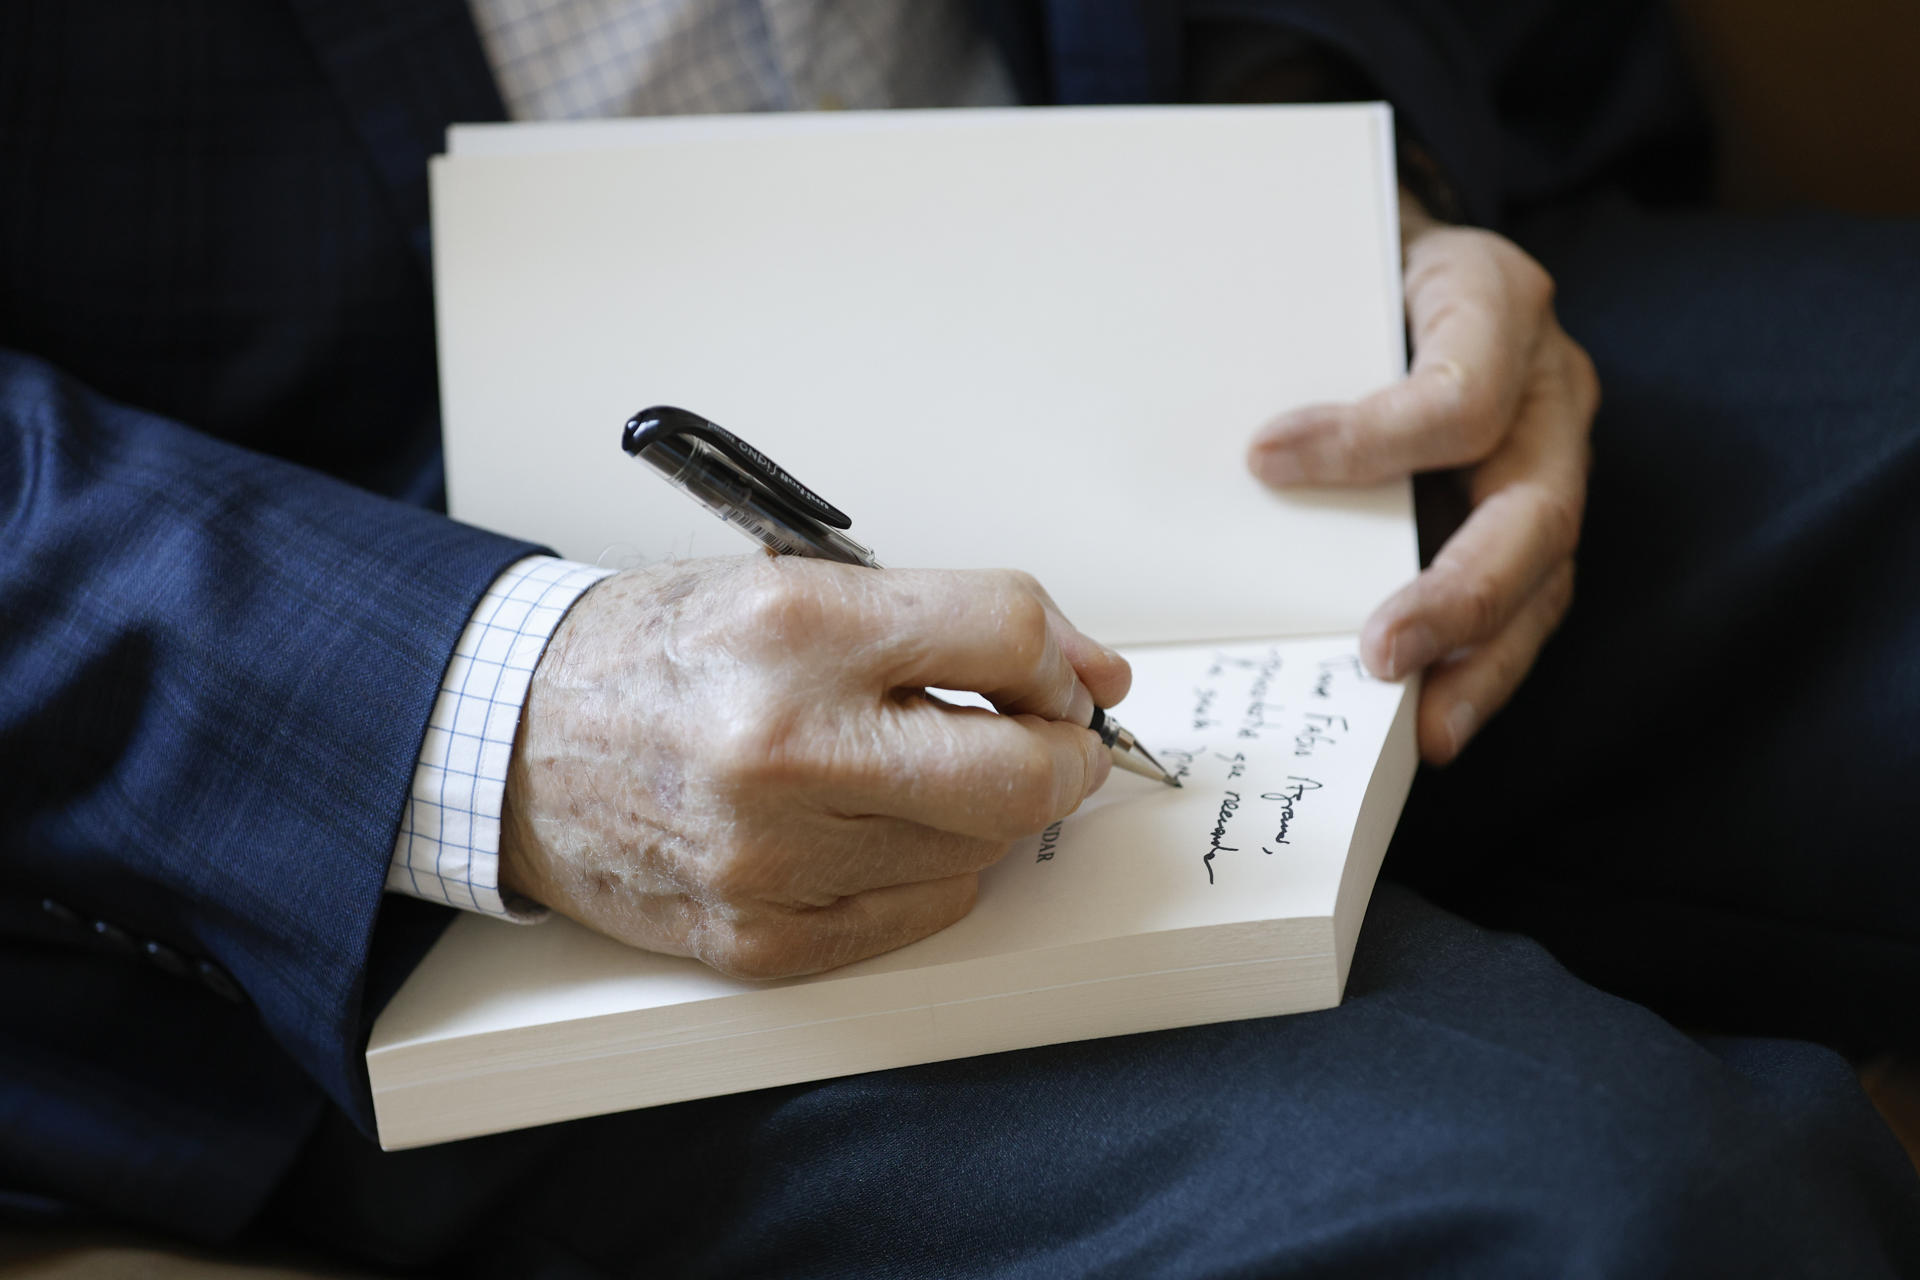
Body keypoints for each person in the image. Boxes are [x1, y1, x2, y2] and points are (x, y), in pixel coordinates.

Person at [3, 1, 1915, 1275]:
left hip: (1215, 328)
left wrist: (1319, 162)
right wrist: (484, 708)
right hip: (340, 651)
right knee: (1641, 1223)